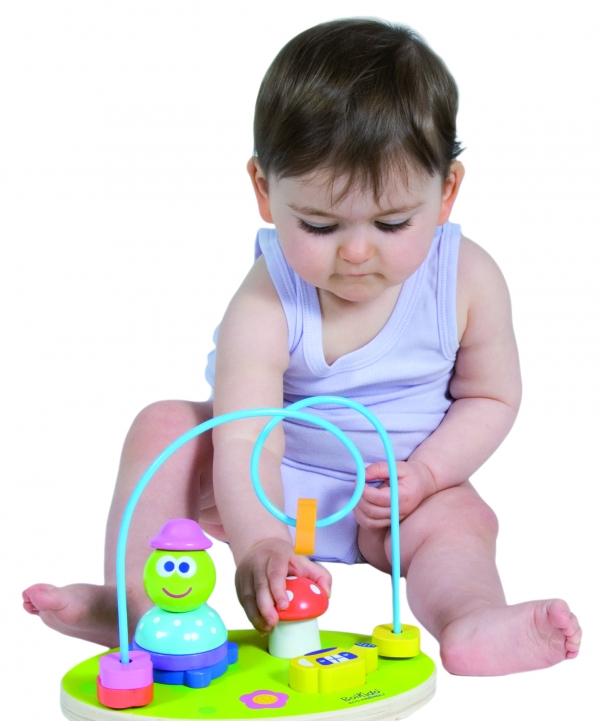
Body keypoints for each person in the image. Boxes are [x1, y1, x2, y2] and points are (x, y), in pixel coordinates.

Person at [23, 18, 581, 675]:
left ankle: (469, 620)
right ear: (265, 191)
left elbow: (491, 397)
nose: (356, 251)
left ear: (446, 193)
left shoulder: (467, 280)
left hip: (398, 496)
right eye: (319, 224)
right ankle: (138, 609)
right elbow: (245, 433)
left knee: (461, 522)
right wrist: (260, 539)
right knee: (165, 427)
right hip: (267, 488)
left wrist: (429, 474)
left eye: (392, 222)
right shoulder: (266, 299)